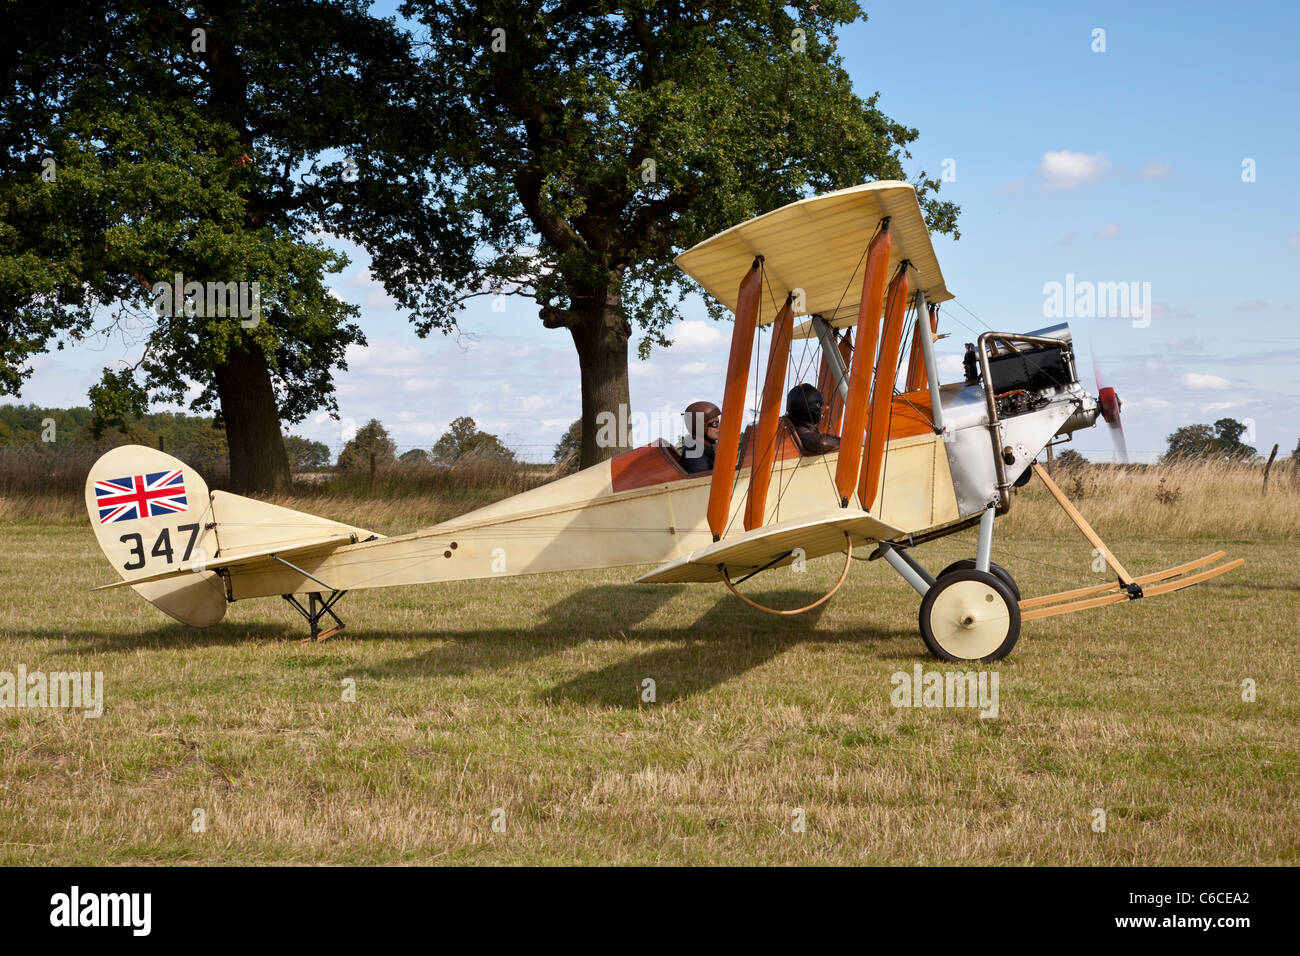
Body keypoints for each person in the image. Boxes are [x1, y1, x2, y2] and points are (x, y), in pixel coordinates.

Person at [786, 383, 840, 455]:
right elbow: (822, 443)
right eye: (820, 406)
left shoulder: (794, 426)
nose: (821, 411)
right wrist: (846, 442)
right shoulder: (802, 431)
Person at [679, 400, 720, 473]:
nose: (719, 427)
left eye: (718, 422)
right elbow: (704, 479)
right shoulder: (695, 453)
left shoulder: (703, 448)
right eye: (714, 424)